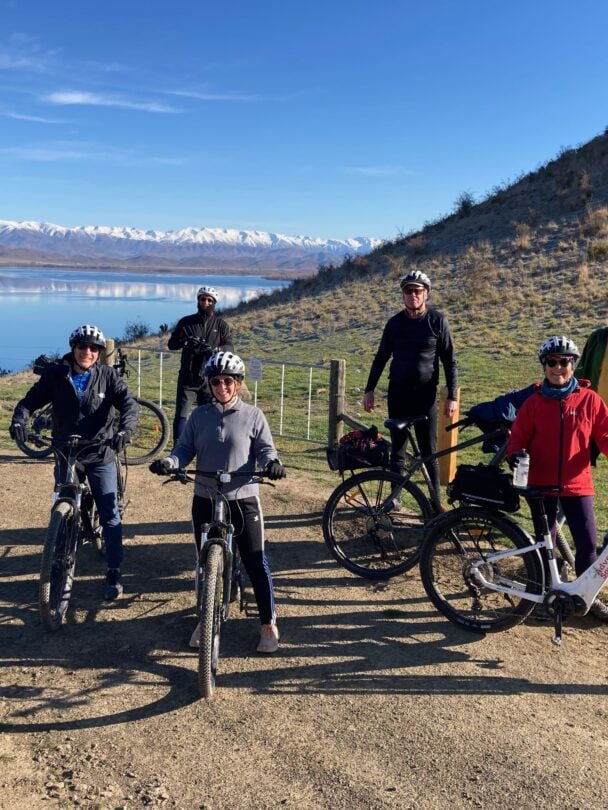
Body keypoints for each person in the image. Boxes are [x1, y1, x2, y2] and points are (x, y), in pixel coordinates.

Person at [149, 350, 286, 653]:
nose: (221, 387)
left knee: (255, 560)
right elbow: (184, 449)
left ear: (238, 383)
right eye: (216, 382)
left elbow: (265, 450)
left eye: (228, 381)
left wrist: (272, 463)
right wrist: (171, 462)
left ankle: (268, 623)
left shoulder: (253, 415)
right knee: (204, 562)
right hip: (206, 496)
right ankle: (205, 617)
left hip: (243, 497)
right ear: (208, 385)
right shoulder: (199, 416)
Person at [10, 324, 139, 600]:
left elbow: (129, 404)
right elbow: (29, 402)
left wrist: (125, 431)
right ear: (73, 347)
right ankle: (60, 551)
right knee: (62, 502)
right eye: (83, 346)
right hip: (66, 451)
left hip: (99, 451)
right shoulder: (56, 375)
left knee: (110, 513)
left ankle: (114, 570)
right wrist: (19, 419)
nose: (88, 352)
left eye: (94, 349)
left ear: (100, 353)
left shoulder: (107, 376)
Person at [506, 335, 608, 621]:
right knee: (544, 544)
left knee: (587, 544)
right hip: (542, 485)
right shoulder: (534, 403)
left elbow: (605, 435)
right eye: (552, 362)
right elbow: (517, 440)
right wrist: (516, 455)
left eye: (564, 362)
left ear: (573, 365)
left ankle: (586, 597)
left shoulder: (590, 400)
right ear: (544, 366)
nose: (558, 367)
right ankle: (544, 596)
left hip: (578, 485)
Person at [362, 270, 458, 492]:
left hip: (425, 398)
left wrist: (452, 396)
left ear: (426, 294)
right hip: (398, 396)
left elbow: (449, 361)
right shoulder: (394, 323)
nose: (412, 295)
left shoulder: (437, 321)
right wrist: (369, 390)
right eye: (408, 291)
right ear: (403, 295)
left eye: (417, 291)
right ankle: (393, 500)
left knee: (429, 453)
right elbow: (380, 359)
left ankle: (435, 506)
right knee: (397, 451)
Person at [167, 285, 233, 445]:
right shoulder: (186, 322)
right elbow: (172, 344)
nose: (205, 302)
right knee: (182, 415)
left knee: (210, 415)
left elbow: (230, 347)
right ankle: (178, 449)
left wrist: (215, 349)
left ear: (214, 303)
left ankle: (207, 446)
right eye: (202, 299)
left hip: (210, 379)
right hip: (187, 378)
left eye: (209, 300)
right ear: (198, 301)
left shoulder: (221, 325)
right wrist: (185, 341)